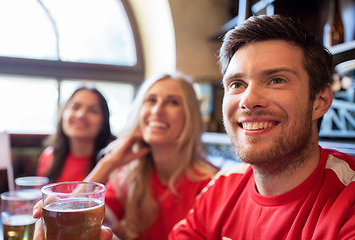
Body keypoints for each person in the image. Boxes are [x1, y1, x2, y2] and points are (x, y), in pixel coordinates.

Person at [169, 15, 355, 239]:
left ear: (320, 101)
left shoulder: (348, 201)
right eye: (237, 84)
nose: (248, 99)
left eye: (276, 80)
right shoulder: (223, 187)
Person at [33, 73, 218, 240]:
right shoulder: (130, 175)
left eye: (173, 102)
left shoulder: (210, 184)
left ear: (190, 116)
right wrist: (110, 162)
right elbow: (75, 213)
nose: (157, 110)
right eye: (151, 100)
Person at [36, 86, 114, 183]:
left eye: (93, 110)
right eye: (75, 107)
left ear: (104, 122)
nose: (81, 114)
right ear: (63, 115)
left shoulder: (114, 162)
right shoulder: (48, 157)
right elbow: (39, 196)